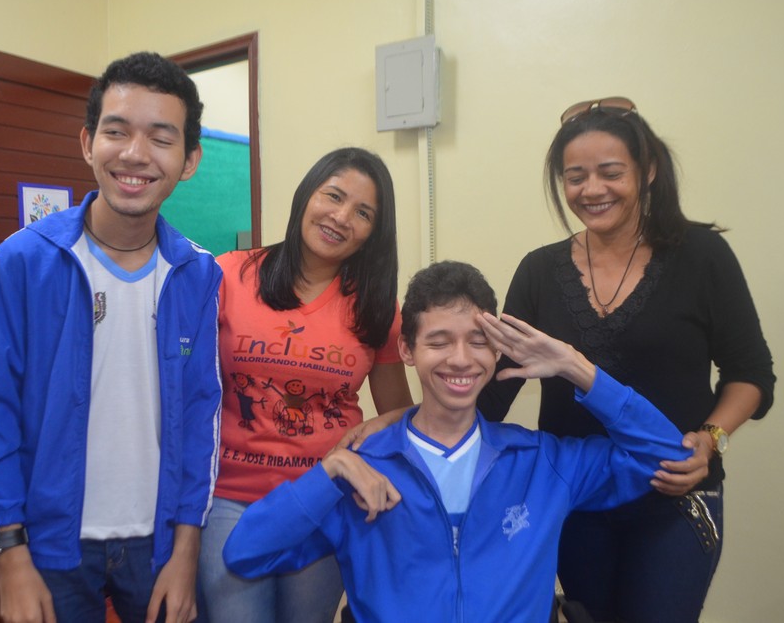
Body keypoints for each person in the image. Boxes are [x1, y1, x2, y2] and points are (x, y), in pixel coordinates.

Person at [221, 260, 691, 622]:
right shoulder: (365, 471)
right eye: (439, 341)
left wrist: (577, 369)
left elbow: (668, 456)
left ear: (498, 348)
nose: (461, 360)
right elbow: (246, 551)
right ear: (407, 350)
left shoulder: (541, 461)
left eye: (478, 341)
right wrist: (333, 469)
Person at [477, 96, 776, 622]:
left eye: (610, 173)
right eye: (575, 177)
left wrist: (711, 440)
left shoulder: (702, 256)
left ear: (648, 170)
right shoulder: (539, 271)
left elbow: (750, 375)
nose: (592, 190)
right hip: (577, 500)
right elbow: (499, 387)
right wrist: (413, 430)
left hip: (674, 494)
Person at [0, 51, 221, 623]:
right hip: (50, 549)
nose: (134, 154)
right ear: (86, 142)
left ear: (189, 159)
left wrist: (186, 549)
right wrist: (10, 555)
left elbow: (203, 417)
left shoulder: (198, 274)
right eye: (116, 131)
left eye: (160, 137)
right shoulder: (24, 262)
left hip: (158, 548)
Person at [196, 148, 414, 623]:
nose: (341, 218)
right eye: (333, 196)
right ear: (306, 196)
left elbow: (401, 412)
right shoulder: (228, 274)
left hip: (324, 496)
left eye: (363, 213)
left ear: (374, 233)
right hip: (230, 495)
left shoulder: (375, 306)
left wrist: (379, 426)